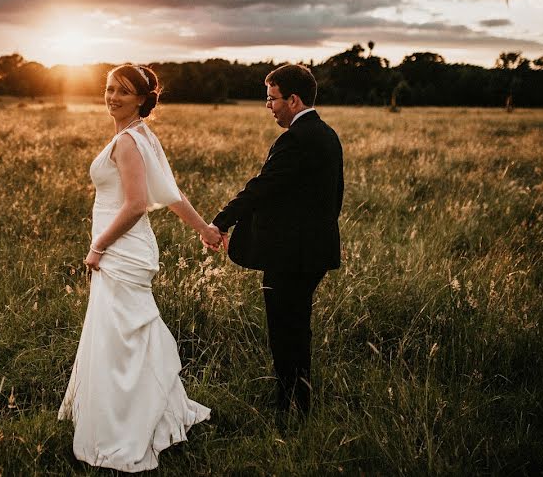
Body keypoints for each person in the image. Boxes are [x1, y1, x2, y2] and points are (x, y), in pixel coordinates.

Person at [58, 63, 219, 472]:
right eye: (109, 88)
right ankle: (148, 409)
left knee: (121, 335)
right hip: (128, 245)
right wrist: (203, 228)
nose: (112, 97)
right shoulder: (140, 136)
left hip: (120, 247)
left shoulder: (130, 141)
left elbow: (134, 205)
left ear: (142, 100)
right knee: (122, 333)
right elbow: (170, 192)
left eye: (123, 92)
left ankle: (124, 424)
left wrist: (98, 247)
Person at [210, 64, 343, 415]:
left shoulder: (296, 139)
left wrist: (221, 221)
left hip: (291, 257)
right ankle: (300, 403)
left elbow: (261, 187)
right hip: (314, 252)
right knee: (298, 330)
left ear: (293, 100)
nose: (268, 106)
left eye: (272, 99)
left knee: (285, 334)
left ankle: (289, 409)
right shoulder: (327, 134)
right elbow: (335, 199)